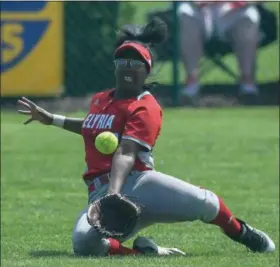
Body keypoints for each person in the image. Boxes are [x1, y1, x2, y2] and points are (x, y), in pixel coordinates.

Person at [17, 18, 275, 257]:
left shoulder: (146, 106)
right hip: (100, 191)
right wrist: (52, 119)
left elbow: (126, 151)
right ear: (115, 67)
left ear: (147, 70)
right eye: (123, 62)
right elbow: (93, 127)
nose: (129, 67)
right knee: (85, 244)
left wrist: (113, 194)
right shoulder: (100, 100)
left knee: (205, 204)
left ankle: (242, 232)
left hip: (140, 185)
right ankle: (147, 253)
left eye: (136, 63)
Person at [178, 1, 260, 99]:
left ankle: (247, 80)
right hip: (199, 8)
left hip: (233, 8)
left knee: (249, 15)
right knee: (185, 11)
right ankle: (191, 80)